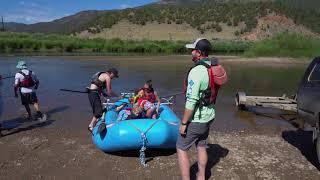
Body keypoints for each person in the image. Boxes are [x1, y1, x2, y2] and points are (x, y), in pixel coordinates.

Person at [176, 38, 227, 180]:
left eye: (193, 50)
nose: (191, 52)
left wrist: (184, 123)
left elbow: (191, 101)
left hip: (197, 119)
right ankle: (201, 176)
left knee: (181, 147)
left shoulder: (197, 71)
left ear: (198, 53)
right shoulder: (212, 66)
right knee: (201, 145)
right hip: (209, 116)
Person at [87, 68, 120, 133]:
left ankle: (93, 124)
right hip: (93, 94)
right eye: (114, 76)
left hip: (93, 93)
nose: (114, 78)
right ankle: (90, 126)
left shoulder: (103, 74)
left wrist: (104, 96)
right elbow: (109, 91)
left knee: (100, 110)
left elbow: (100, 89)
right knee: (98, 111)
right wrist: (118, 96)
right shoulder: (107, 77)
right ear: (112, 73)